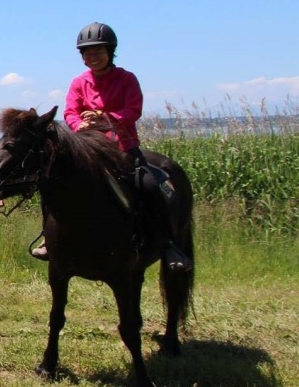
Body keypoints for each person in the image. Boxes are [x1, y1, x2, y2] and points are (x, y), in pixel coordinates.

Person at [30, 22, 192, 272]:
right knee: (51, 183)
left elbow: (133, 111)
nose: (92, 57)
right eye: (87, 53)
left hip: (122, 150)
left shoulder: (126, 79)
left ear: (110, 52)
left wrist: (106, 120)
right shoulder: (78, 83)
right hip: (89, 152)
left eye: (98, 52)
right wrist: (79, 126)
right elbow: (71, 112)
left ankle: (168, 243)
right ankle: (50, 238)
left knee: (148, 185)